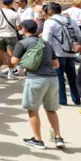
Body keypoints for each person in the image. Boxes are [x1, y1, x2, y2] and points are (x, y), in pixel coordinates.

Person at [11, 20, 64, 149]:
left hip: (35, 78)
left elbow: (14, 61)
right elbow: (56, 64)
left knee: (33, 110)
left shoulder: (22, 43)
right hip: (52, 78)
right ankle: (58, 137)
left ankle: (38, 140)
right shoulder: (46, 44)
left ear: (24, 30)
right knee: (51, 109)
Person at [42, 2, 80, 106]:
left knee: (59, 77)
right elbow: (79, 35)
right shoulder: (71, 21)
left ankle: (62, 100)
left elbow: (46, 40)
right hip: (71, 52)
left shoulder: (50, 22)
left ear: (50, 11)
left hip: (57, 53)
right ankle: (77, 98)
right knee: (72, 77)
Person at [0, 0, 21, 80]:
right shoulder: (15, 14)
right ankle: (11, 73)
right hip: (11, 35)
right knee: (12, 56)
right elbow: (18, 27)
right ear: (11, 4)